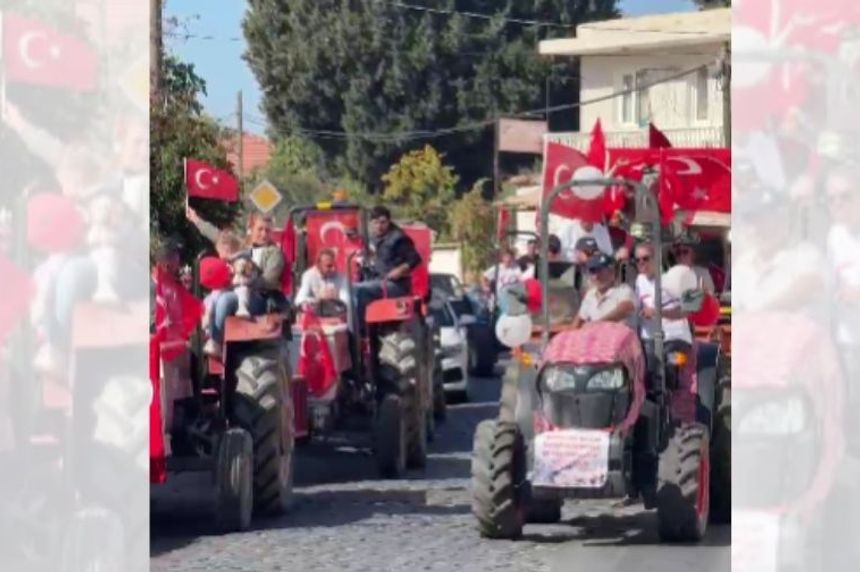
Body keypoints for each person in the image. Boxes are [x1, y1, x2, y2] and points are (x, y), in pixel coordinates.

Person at [353, 206, 422, 332]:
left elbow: (415, 259)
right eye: (376, 223)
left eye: (383, 222)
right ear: (370, 223)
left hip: (394, 285)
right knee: (350, 288)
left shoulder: (398, 238)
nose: (379, 226)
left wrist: (400, 270)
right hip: (374, 282)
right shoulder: (370, 238)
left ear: (389, 221)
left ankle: (359, 333)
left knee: (358, 290)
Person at [634, 242, 693, 379]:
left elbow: (686, 311)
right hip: (649, 340)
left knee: (670, 367)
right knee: (646, 375)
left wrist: (658, 312)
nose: (641, 263)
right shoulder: (639, 280)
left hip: (676, 338)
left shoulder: (672, 278)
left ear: (656, 259)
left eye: (645, 258)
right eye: (637, 260)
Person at [571, 252, 636, 331]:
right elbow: (579, 320)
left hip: (620, 341)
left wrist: (598, 324)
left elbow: (625, 308)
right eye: (593, 271)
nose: (596, 276)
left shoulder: (623, 290)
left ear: (612, 272)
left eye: (601, 271)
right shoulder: (590, 294)